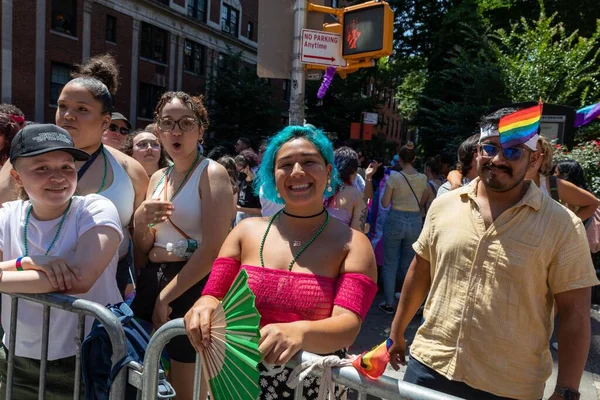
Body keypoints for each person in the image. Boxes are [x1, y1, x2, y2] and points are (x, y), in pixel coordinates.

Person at [389, 107, 599, 400]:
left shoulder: (563, 226)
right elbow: (420, 271)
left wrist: (566, 390)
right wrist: (396, 332)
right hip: (429, 369)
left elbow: (576, 315)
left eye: (513, 152)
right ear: (477, 153)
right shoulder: (444, 206)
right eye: (490, 148)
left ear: (534, 159)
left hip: (510, 387)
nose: (498, 159)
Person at [184, 125, 378, 399]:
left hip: (310, 388)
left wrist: (300, 332)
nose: (297, 171)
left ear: (329, 172)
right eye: (285, 164)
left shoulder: (354, 244)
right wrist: (203, 306)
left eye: (309, 161)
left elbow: (347, 325)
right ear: (273, 178)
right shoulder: (244, 231)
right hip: (237, 383)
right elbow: (213, 294)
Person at [0, 55, 149, 298]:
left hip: (106, 289)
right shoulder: (19, 163)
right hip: (25, 291)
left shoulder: (130, 170)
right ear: (19, 177)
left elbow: (138, 237)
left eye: (81, 109)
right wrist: (25, 262)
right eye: (62, 106)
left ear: (105, 121)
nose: (68, 115)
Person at [0, 124, 123, 399]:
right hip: (18, 362)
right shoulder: (6, 216)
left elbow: (78, 279)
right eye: (42, 168)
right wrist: (28, 262)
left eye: (67, 167)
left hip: (89, 361)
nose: (58, 177)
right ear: (17, 177)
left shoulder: (95, 209)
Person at [131, 91, 233, 400]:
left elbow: (214, 248)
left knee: (185, 389)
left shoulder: (212, 173)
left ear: (201, 130)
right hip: (153, 280)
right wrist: (140, 220)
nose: (176, 131)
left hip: (191, 286)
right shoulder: (158, 177)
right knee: (147, 380)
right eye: (168, 123)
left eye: (186, 123)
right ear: (158, 130)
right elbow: (145, 247)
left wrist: (167, 295)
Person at [379, 142, 427, 314]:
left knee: (390, 263)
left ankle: (389, 302)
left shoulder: (394, 177)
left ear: (399, 158)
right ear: (414, 158)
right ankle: (406, 301)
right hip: (415, 221)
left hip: (396, 218)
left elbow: (385, 203)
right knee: (408, 264)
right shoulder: (422, 178)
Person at [526, 136, 599, 220]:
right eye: (522, 154)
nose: (530, 159)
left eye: (536, 155)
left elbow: (592, 203)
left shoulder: (552, 185)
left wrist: (569, 227)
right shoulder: (507, 182)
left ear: (544, 158)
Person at [325, 147, 367, 231]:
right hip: (340, 243)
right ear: (354, 171)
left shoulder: (321, 188)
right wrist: (365, 229)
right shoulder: (358, 196)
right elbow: (357, 233)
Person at [234, 149, 262, 224]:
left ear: (247, 167)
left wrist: (240, 209)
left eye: (240, 170)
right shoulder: (242, 181)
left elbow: (261, 210)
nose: (239, 173)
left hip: (253, 223)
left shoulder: (258, 185)